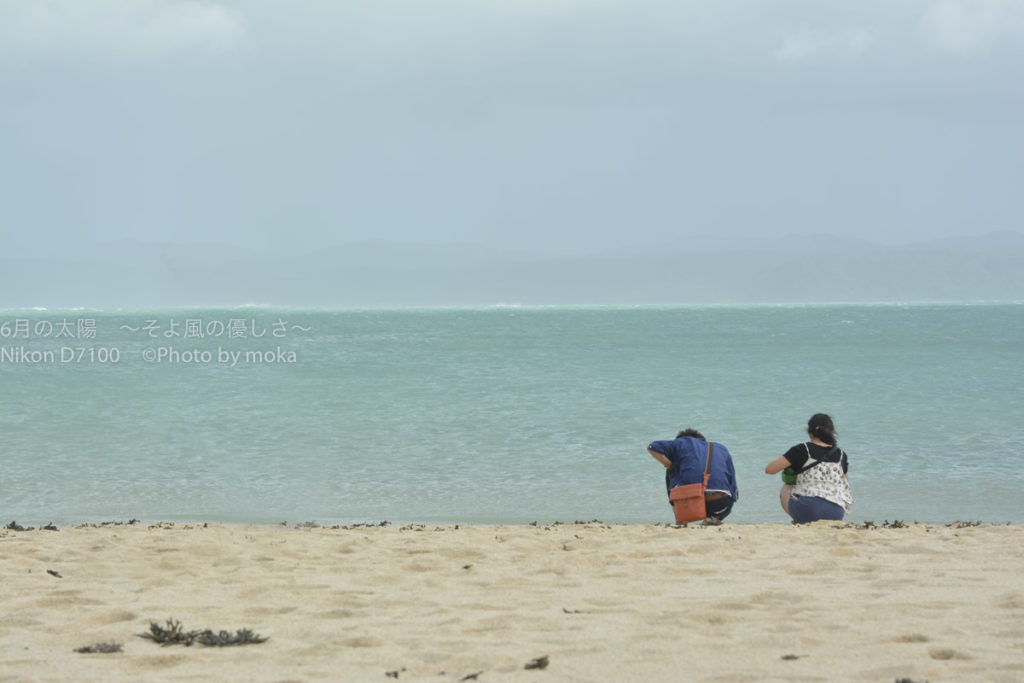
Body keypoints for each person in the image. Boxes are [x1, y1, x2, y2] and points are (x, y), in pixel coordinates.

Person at [764, 413, 853, 523]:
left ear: (810, 433)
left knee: (786, 487)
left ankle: (800, 519)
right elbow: (844, 482)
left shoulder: (802, 449)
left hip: (809, 510)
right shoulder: (841, 454)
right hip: (837, 512)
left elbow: (770, 470)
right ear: (831, 432)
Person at [647, 428, 739, 524]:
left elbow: (652, 447)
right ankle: (714, 517)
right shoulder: (721, 448)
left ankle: (680, 519)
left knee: (671, 469)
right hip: (720, 504)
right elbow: (732, 482)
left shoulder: (681, 442)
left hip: (689, 503)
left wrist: (670, 465)